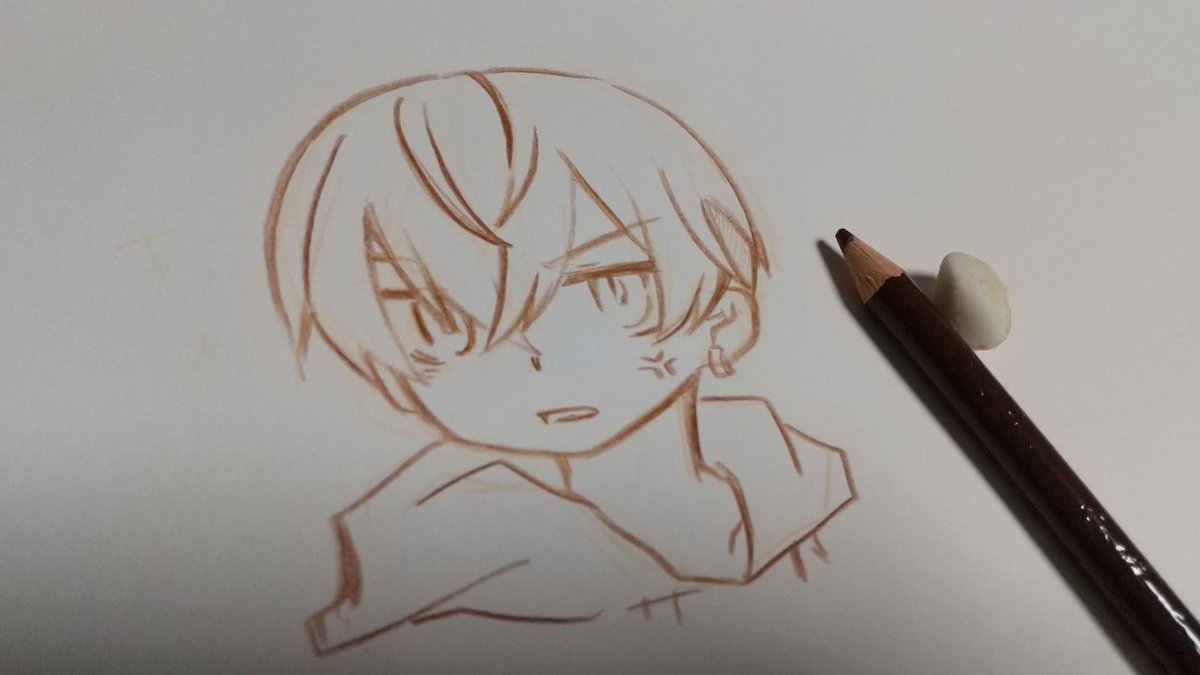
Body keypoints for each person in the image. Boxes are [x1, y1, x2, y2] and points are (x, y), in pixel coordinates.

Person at [265, 68, 856, 656]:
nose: (538, 358)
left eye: (612, 286)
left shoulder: (806, 483)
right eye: (438, 320)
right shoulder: (422, 575)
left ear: (726, 316)